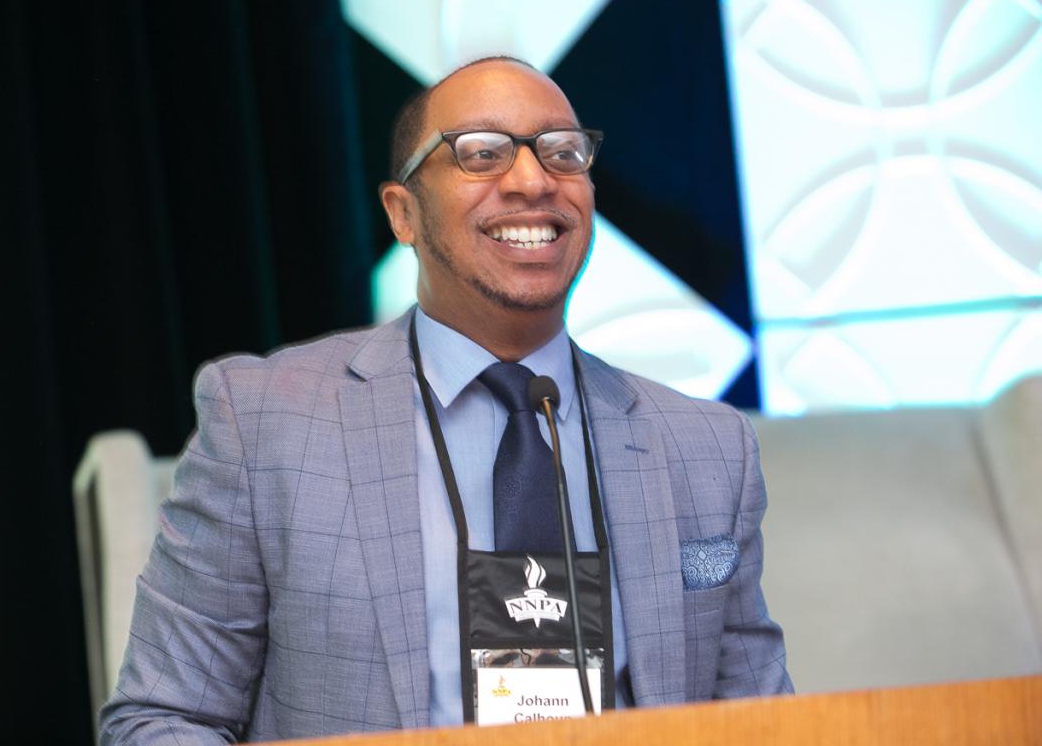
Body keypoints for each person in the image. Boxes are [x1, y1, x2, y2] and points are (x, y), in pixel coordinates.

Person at [100, 57, 791, 745]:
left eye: (562, 153)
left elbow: (765, 726)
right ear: (403, 213)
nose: (533, 180)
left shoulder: (706, 448)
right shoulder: (264, 424)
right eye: (482, 154)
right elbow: (162, 719)